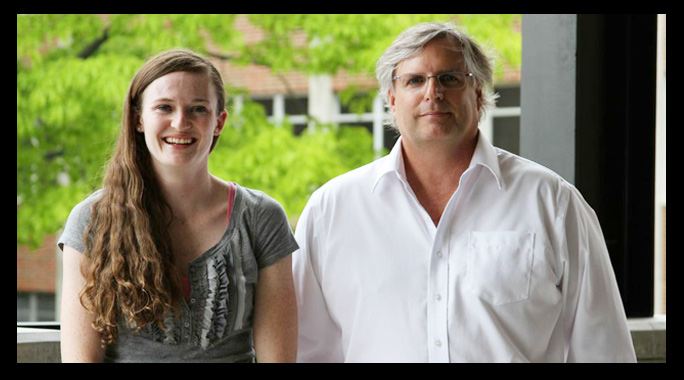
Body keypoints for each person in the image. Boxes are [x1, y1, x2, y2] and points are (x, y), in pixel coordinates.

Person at [292, 22, 636, 362]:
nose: (432, 93)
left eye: (449, 78)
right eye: (414, 80)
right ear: (392, 100)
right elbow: (306, 350)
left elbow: (603, 347)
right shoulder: (332, 210)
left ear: (479, 94)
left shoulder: (552, 202)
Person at [58, 49, 298, 363]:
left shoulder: (260, 217)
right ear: (138, 119)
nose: (180, 122)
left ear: (219, 122)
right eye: (164, 107)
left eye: (198, 109)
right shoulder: (91, 220)